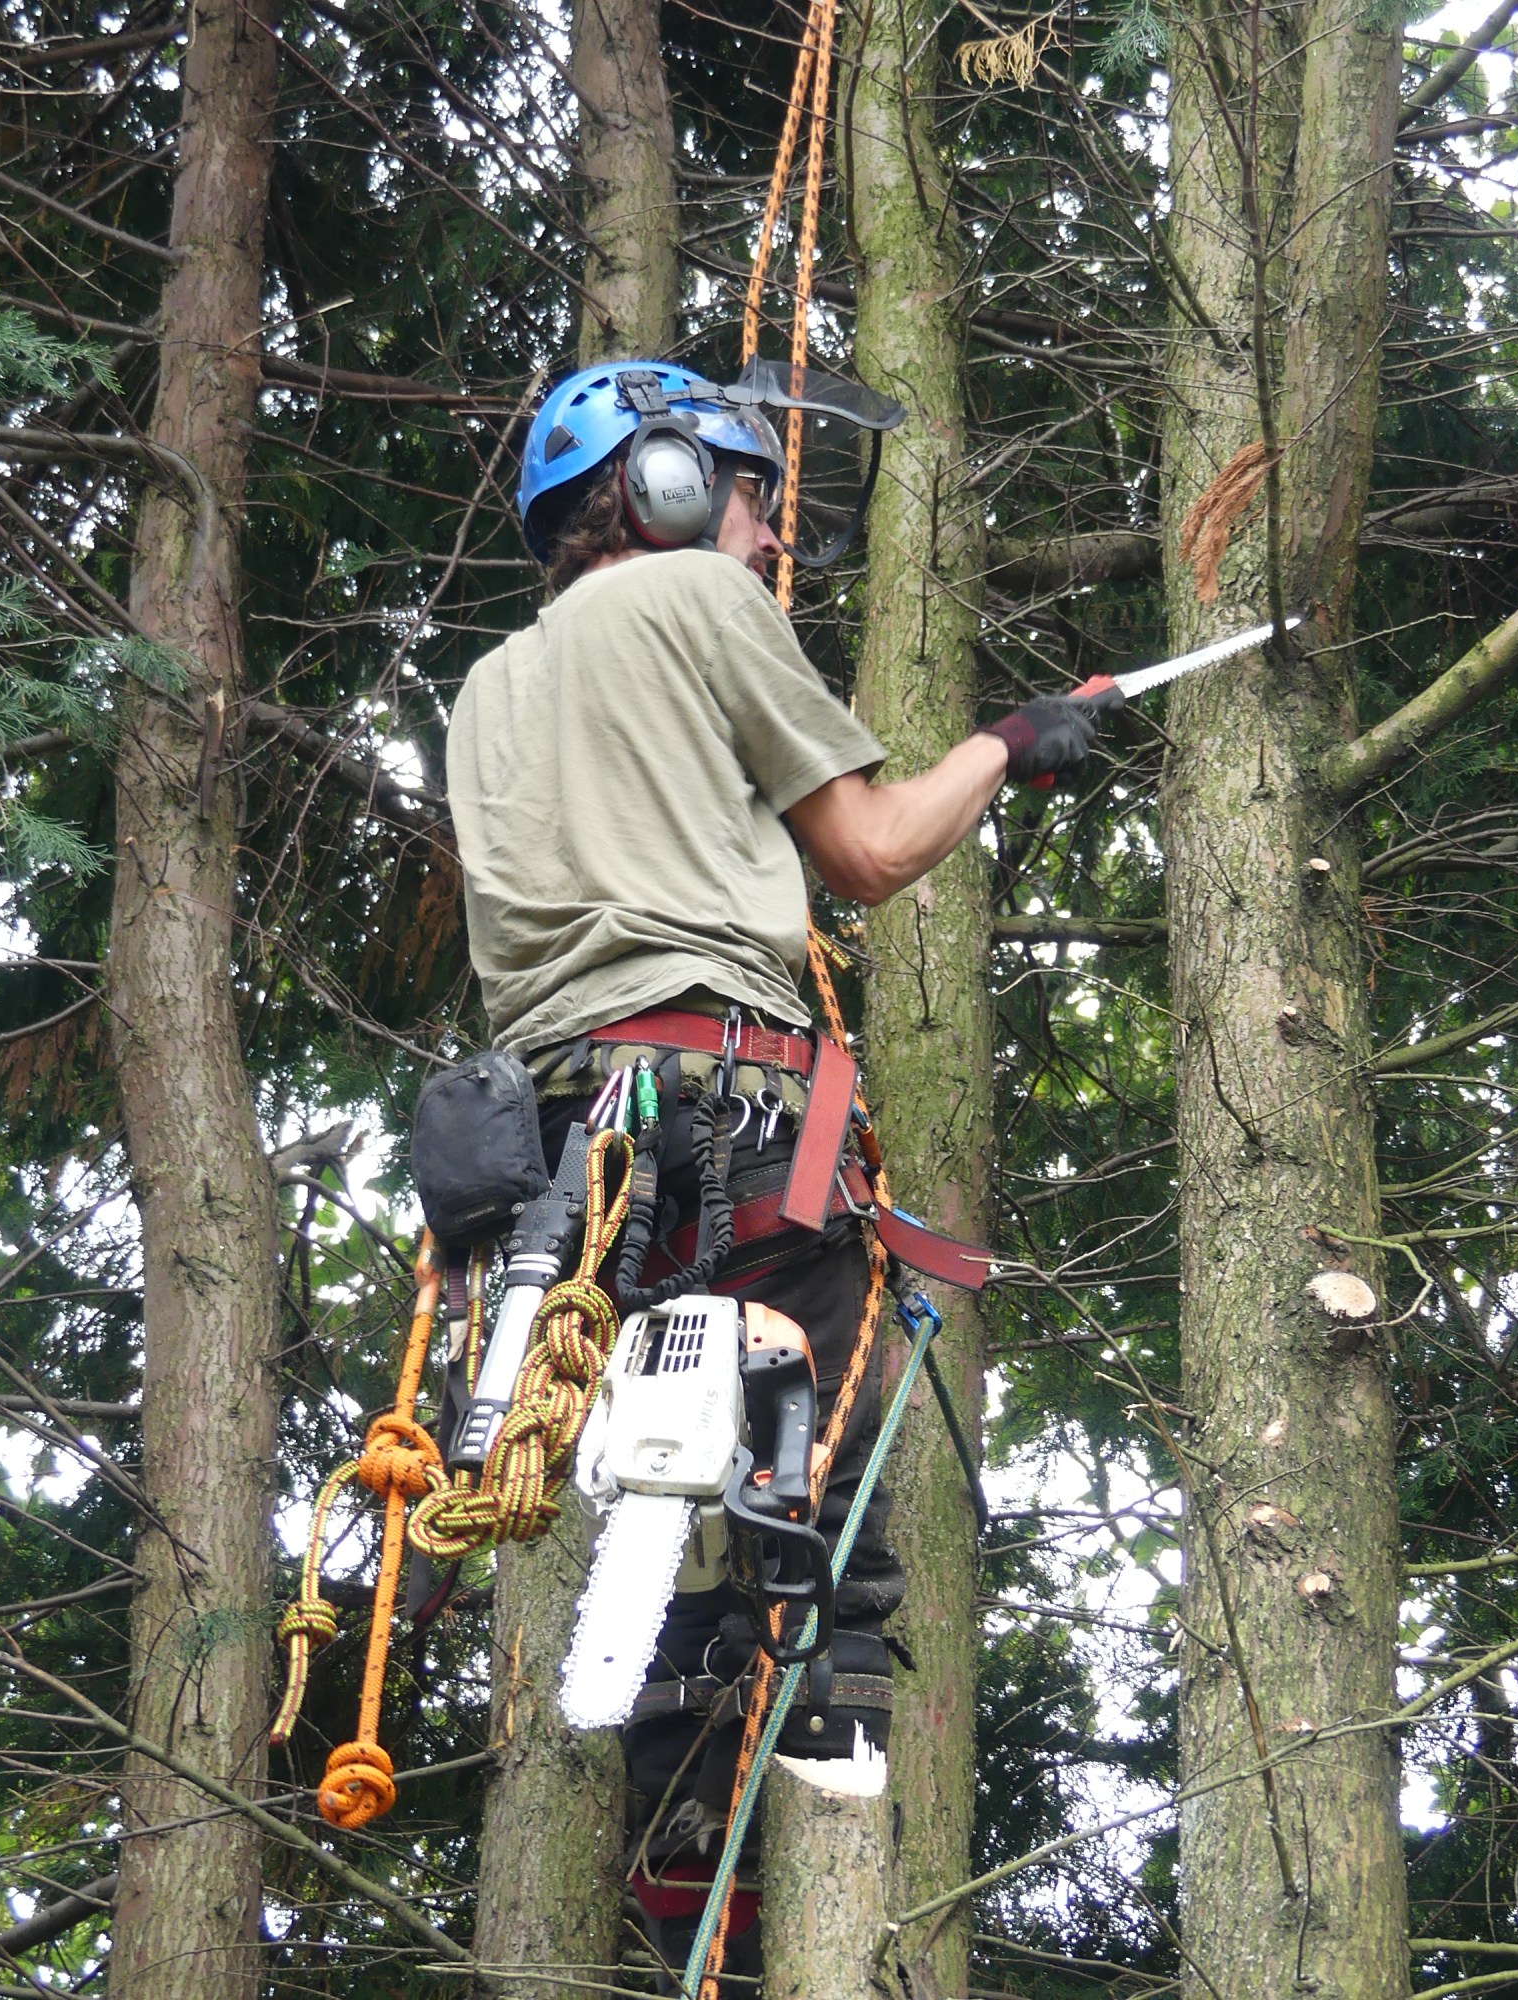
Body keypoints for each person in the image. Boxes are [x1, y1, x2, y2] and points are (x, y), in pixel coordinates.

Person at [443, 359, 1110, 1972]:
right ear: (663, 490)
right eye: (751, 498)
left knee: (666, 1461)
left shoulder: (491, 687)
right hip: (722, 1109)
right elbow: (871, 851)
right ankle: (823, 1729)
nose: (770, 537)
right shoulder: (696, 598)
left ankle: (682, 1791)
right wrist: (1011, 741)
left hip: (555, 1163)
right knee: (819, 1473)